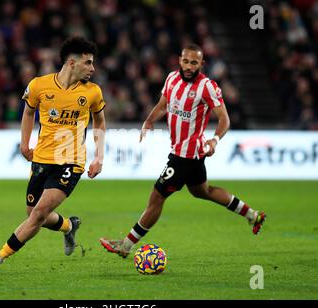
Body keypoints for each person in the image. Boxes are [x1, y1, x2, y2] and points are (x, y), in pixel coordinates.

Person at [100, 44, 266, 258]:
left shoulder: (207, 86)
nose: (189, 66)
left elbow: (224, 118)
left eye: (194, 63)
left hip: (186, 156)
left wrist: (215, 140)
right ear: (180, 60)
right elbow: (163, 105)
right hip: (186, 154)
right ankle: (252, 214)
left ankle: (126, 245)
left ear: (201, 64)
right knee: (202, 191)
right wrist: (149, 122)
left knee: (157, 197)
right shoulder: (171, 79)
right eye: (186, 61)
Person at [0, 37, 106, 274]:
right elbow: (28, 113)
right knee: (34, 214)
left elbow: (100, 123)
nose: (92, 68)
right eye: (88, 63)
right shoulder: (39, 86)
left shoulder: (93, 92)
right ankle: (69, 226)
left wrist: (99, 157)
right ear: (71, 63)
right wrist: (24, 144)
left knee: (36, 215)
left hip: (71, 162)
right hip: (42, 158)